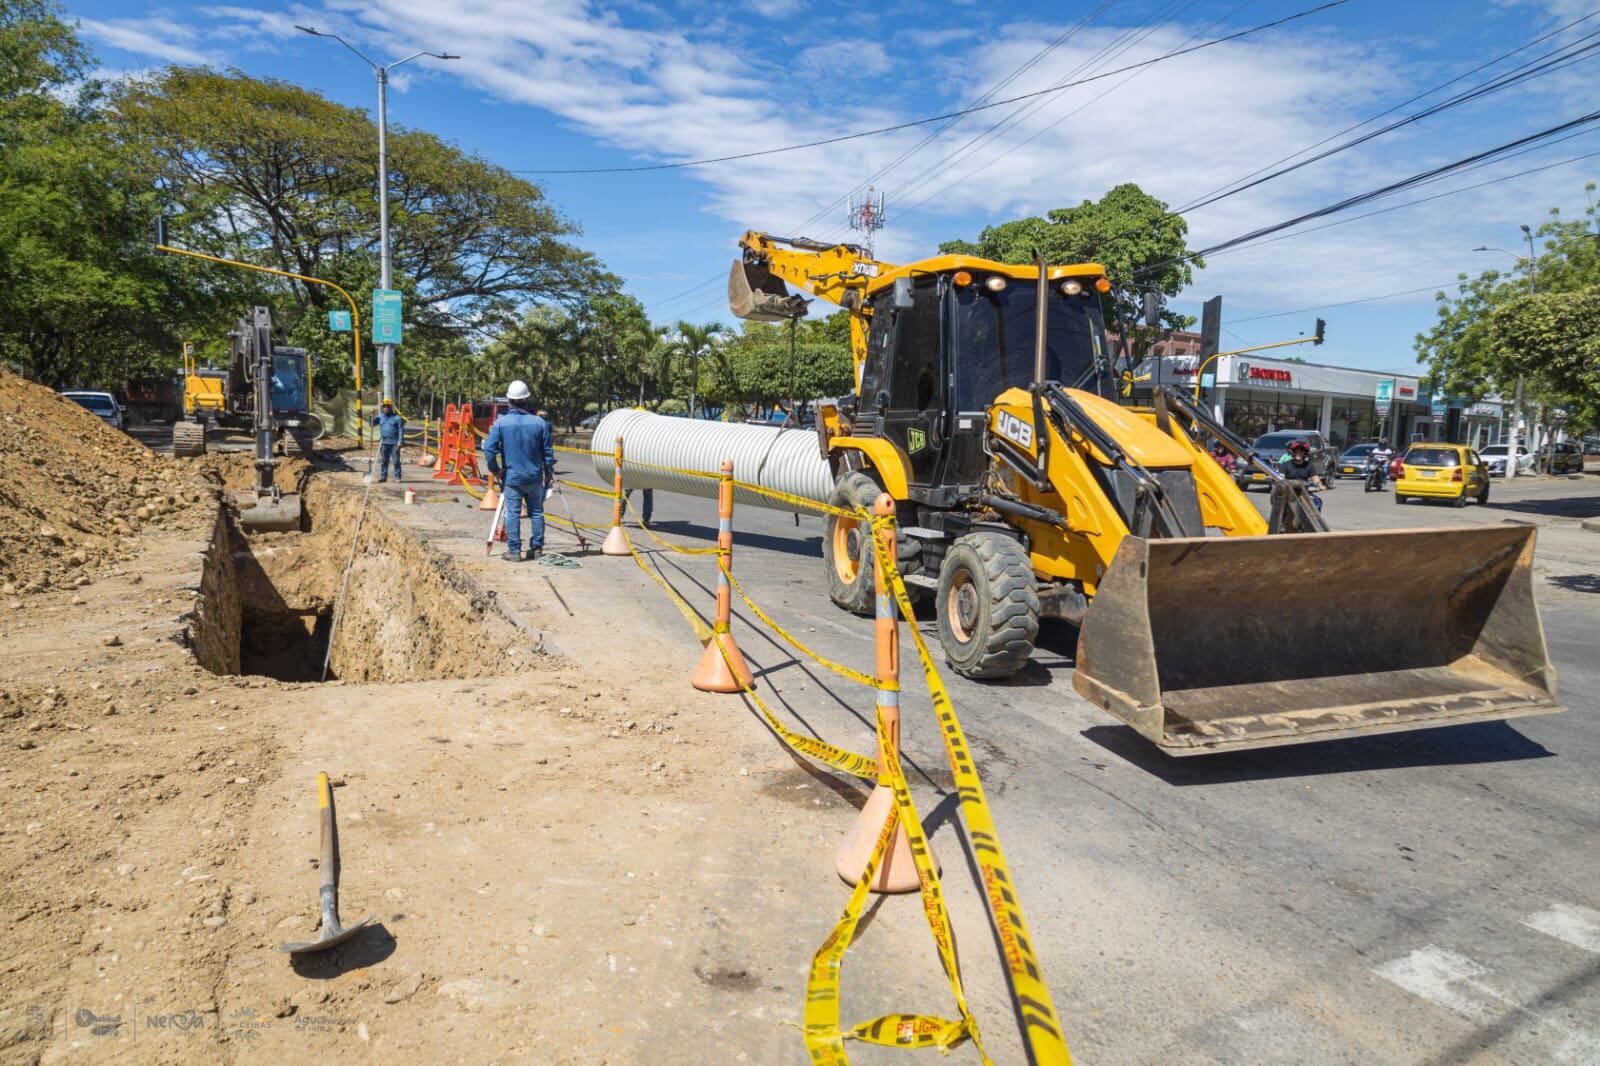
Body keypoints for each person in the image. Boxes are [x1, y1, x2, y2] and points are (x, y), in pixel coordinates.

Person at [482, 380, 554, 562]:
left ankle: (514, 552)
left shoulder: (501, 423)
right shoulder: (540, 423)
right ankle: (537, 549)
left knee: (513, 513)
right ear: (527, 399)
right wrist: (549, 475)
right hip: (534, 476)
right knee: (537, 512)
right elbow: (547, 453)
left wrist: (495, 469)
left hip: (512, 477)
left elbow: (489, 449)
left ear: (509, 400)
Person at [1282, 439, 1327, 505]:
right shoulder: (1285, 465)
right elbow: (1281, 477)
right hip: (1288, 492)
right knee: (1279, 503)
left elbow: (1315, 478)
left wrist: (1320, 485)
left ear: (1305, 453)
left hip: (1304, 493)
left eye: (1301, 452)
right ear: (1293, 452)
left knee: (1317, 502)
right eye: (1296, 452)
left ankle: (1313, 515)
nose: (1298, 454)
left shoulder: (1309, 465)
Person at [371, 398, 405, 483]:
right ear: (382, 407)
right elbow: (372, 424)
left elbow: (401, 430)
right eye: (384, 406)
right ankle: (383, 477)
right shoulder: (380, 417)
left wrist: (400, 441)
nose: (386, 408)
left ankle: (397, 477)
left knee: (396, 460)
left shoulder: (397, 418)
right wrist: (371, 415)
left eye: (388, 406)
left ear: (390, 407)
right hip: (384, 443)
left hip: (394, 443)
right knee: (384, 461)